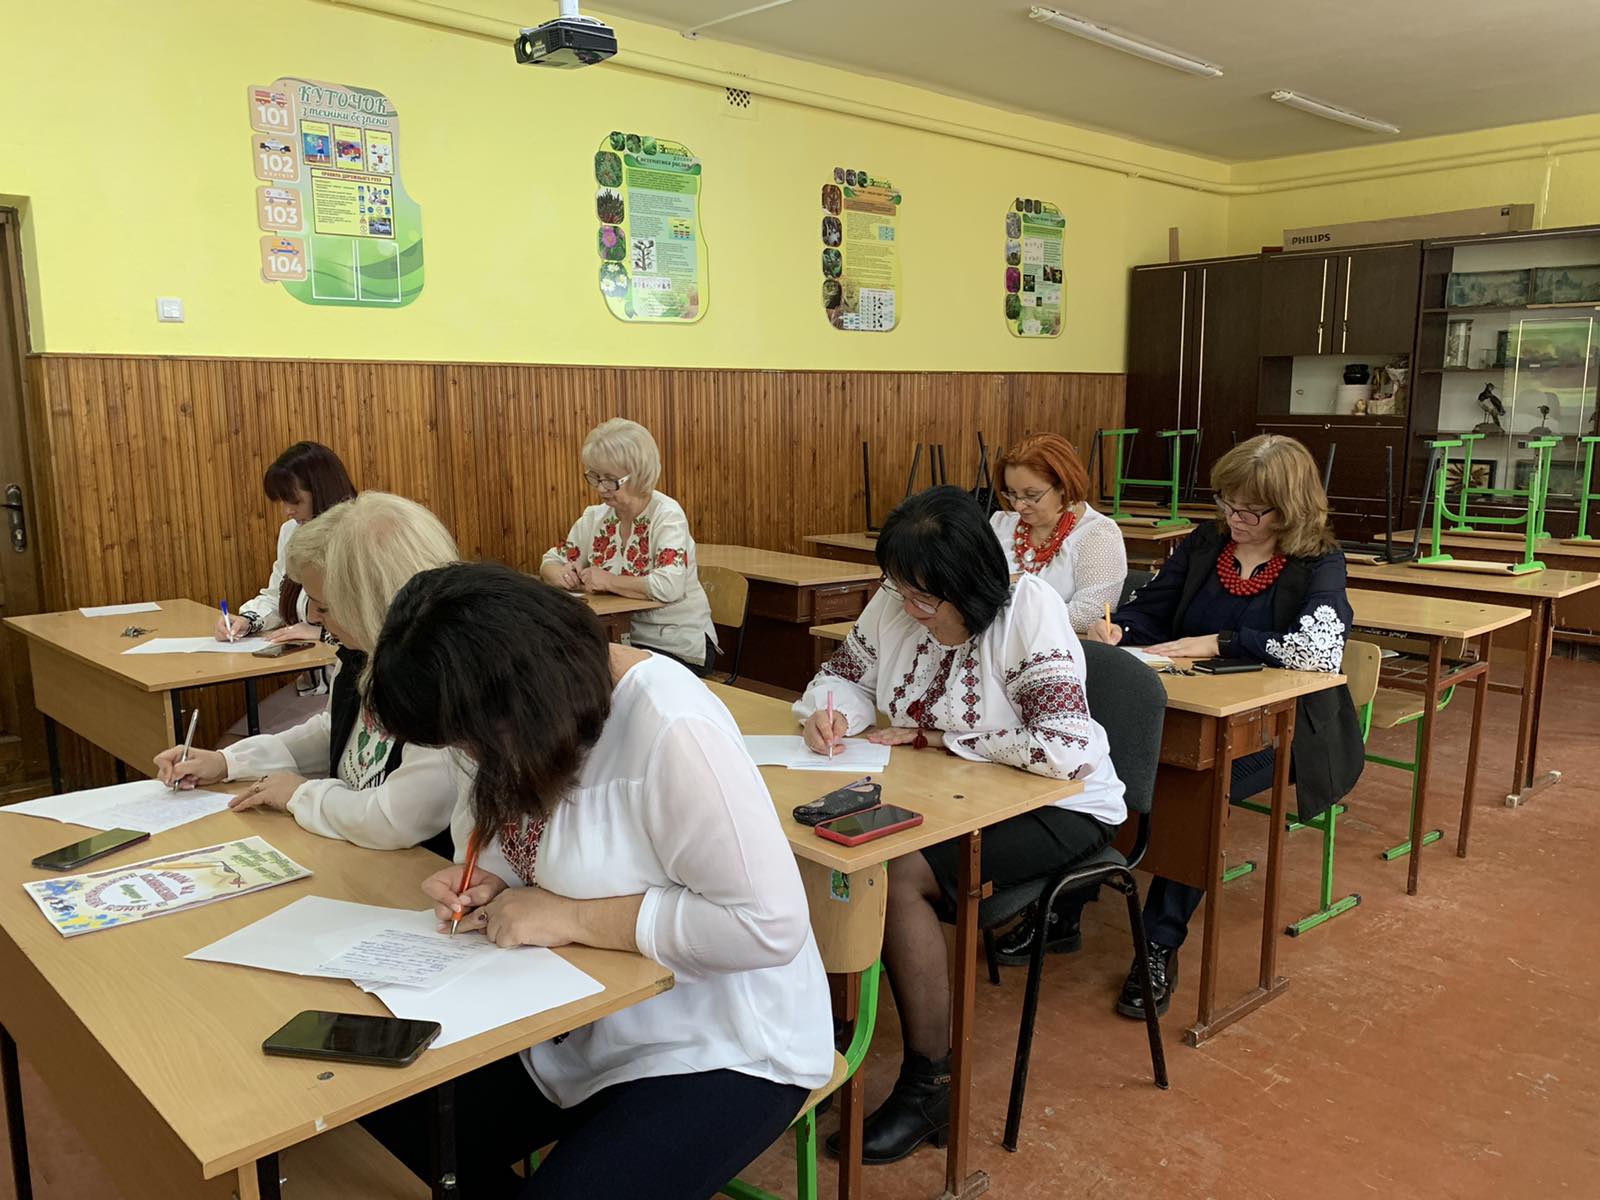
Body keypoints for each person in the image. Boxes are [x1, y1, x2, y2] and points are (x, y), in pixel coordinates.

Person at [356, 563, 834, 1199]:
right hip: (574, 1025)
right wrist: (492, 881)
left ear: (518, 699)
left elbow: (766, 925)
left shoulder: (671, 727)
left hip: (718, 1043)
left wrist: (570, 917)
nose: (469, 757)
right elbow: (524, 845)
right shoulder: (514, 720)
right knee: (382, 1119)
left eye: (469, 741)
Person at [794, 486, 1126, 1165]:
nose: (909, 610)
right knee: (823, 846)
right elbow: (843, 677)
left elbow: (1065, 749)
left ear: (970, 587)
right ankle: (824, 1040)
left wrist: (945, 740)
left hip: (1059, 806)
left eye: (926, 600)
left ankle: (931, 1085)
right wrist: (830, 714)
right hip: (953, 794)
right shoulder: (898, 600)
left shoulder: (1028, 612)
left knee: (894, 872)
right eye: (903, 592)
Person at [1080, 433, 1363, 1020]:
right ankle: (1067, 902)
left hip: (1284, 730)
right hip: (1191, 710)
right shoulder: (1207, 543)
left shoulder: (1318, 562)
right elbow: (1152, 607)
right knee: (1097, 762)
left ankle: (1159, 943)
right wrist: (1121, 629)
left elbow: (1317, 652)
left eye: (1252, 511)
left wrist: (1224, 641)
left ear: (1291, 509)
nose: (1236, 519)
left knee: (1199, 791)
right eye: (1228, 504)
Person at [155, 493, 463, 851]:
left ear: (372, 602)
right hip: (360, 852)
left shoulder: (447, 680)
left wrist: (301, 794)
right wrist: (228, 762)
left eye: (324, 607)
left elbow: (397, 820)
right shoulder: (361, 653)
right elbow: (334, 732)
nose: (314, 618)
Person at [540, 418, 716, 673]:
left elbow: (669, 586)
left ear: (639, 475)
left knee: (591, 672)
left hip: (675, 642)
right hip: (617, 638)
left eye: (610, 480)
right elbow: (551, 561)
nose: (601, 488)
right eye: (595, 477)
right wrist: (560, 574)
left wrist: (608, 581)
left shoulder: (667, 515)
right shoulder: (595, 517)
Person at [217, 441, 356, 644]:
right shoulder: (291, 531)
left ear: (322, 491)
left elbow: (379, 622)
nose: (288, 511)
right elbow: (277, 595)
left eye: (295, 501)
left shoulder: (361, 535)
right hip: (309, 659)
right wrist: (247, 621)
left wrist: (323, 634)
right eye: (283, 501)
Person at [989, 432, 1127, 632]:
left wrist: (1010, 598)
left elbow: (1091, 615)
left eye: (1031, 495)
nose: (1019, 505)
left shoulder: (1097, 535)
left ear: (1063, 485)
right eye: (1012, 493)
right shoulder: (1001, 524)